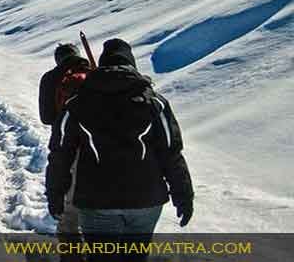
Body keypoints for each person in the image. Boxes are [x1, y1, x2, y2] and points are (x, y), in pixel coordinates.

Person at [45, 38, 194, 262]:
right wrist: (183, 195)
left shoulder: (77, 103)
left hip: (96, 200)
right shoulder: (155, 102)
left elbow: (60, 154)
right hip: (146, 199)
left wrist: (55, 194)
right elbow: (171, 152)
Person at [39, 43, 91, 262]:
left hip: (66, 146)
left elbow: (47, 118)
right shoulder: (95, 73)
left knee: (69, 213)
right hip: (101, 147)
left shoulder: (51, 78)